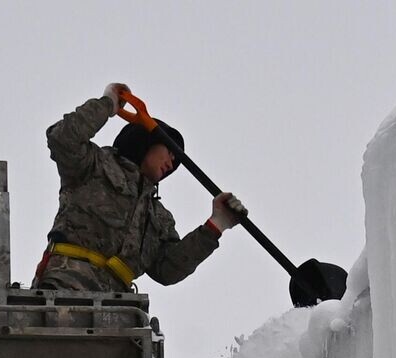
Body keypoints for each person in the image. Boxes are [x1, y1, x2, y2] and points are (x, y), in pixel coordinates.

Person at [35, 82, 246, 292]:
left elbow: (168, 269)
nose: (172, 164)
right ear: (147, 141)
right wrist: (108, 104)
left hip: (118, 308)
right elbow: (63, 138)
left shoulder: (156, 216)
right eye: (170, 153)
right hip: (66, 286)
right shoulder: (94, 165)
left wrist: (216, 224)